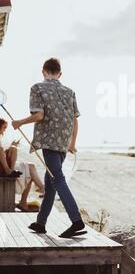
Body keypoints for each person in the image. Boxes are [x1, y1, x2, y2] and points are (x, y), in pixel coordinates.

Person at [12, 57, 85, 238]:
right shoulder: (70, 92)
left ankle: (77, 221)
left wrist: (20, 122)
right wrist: (72, 144)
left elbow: (39, 115)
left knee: (58, 179)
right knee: (51, 182)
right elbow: (75, 121)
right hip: (63, 142)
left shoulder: (37, 87)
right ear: (60, 74)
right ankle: (41, 223)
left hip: (49, 141)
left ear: (43, 71)